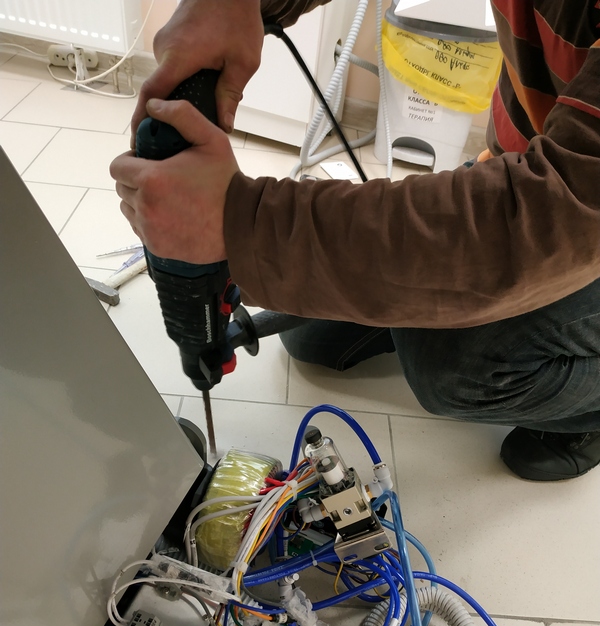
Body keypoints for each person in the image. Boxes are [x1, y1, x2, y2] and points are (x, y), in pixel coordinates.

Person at [110, 0, 600, 482]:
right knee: (310, 334)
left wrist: (241, 228)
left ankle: (587, 417)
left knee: (452, 367)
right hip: (525, 162)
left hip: (572, 221)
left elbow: (555, 211)